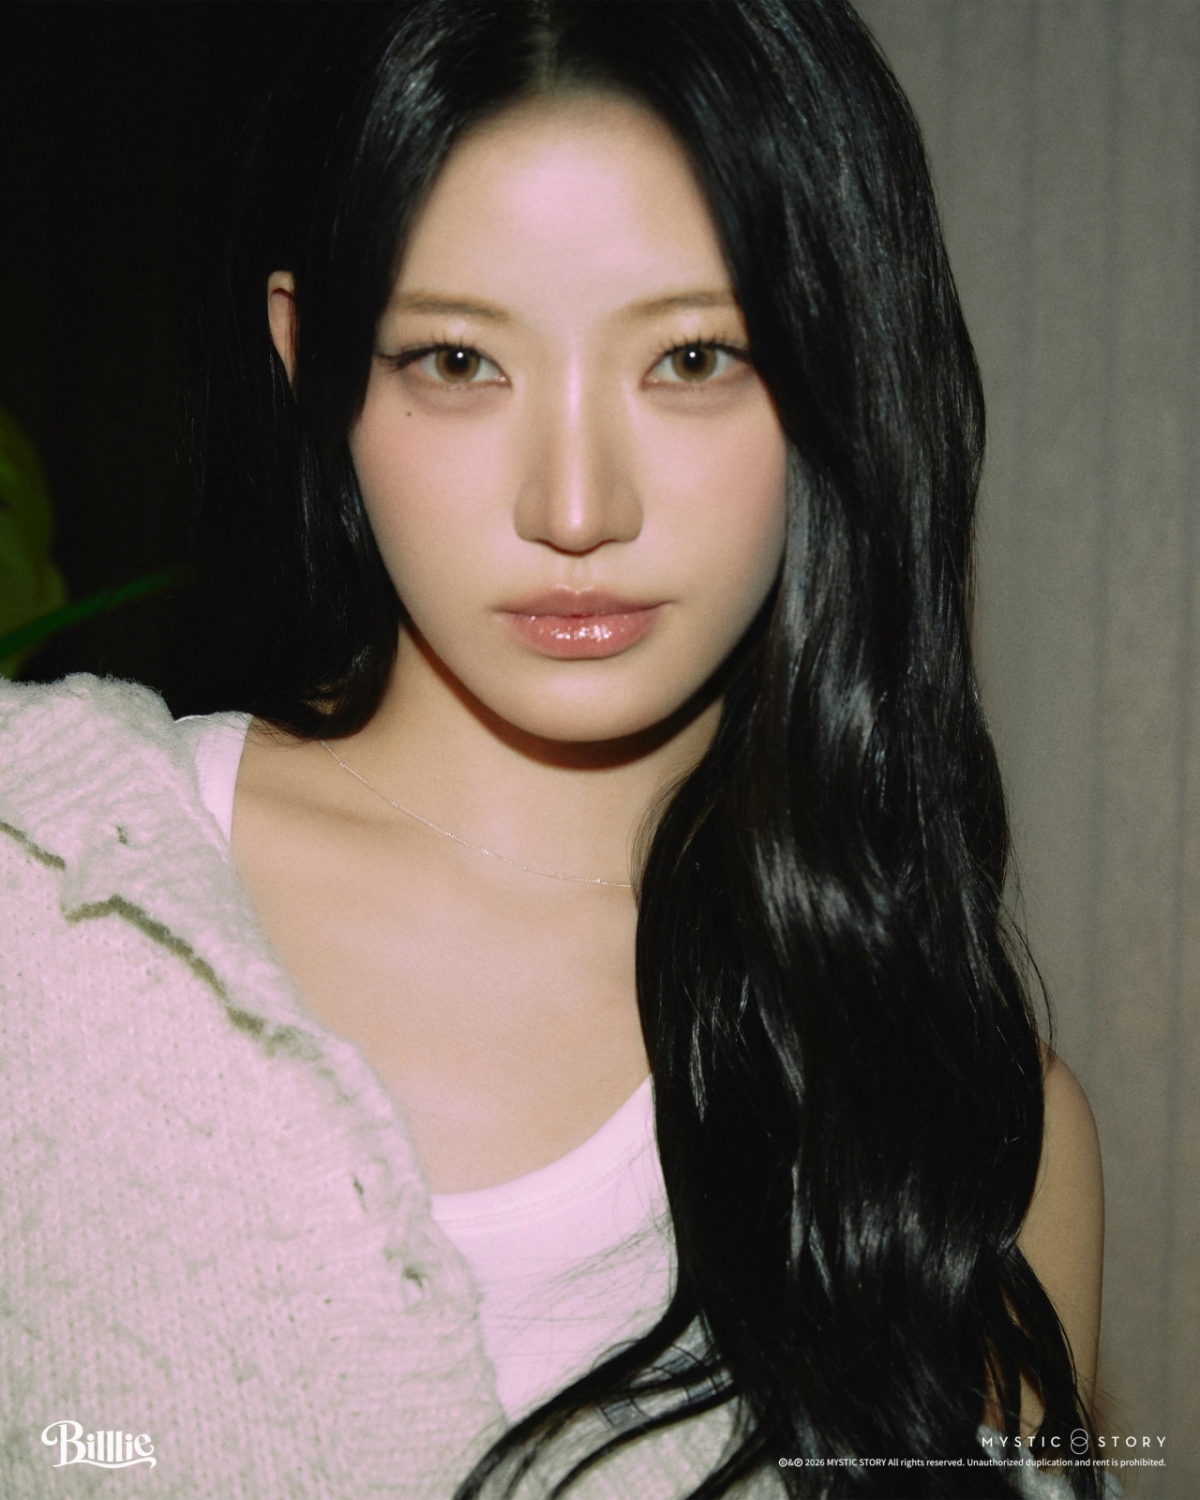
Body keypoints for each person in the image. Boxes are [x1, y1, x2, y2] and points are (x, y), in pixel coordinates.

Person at [0, 2, 1108, 1496]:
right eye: (460, 360)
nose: (575, 506)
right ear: (310, 363)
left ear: (844, 371)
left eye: (694, 356)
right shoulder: (43, 891)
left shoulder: (975, 1142)